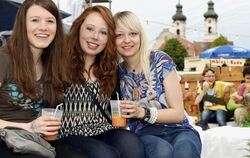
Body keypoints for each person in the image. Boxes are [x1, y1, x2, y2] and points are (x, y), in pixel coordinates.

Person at [0, 0, 86, 157]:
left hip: (36, 139)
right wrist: (29, 126)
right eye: (35, 20)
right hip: (6, 137)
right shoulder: (3, 59)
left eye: (50, 21)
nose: (43, 27)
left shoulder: (51, 63)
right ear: (22, 24)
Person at [57, 5, 145, 158]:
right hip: (67, 134)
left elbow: (115, 109)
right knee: (104, 154)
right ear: (79, 29)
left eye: (103, 32)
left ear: (108, 39)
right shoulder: (59, 63)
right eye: (90, 29)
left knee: (132, 144)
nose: (95, 36)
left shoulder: (111, 69)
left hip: (104, 130)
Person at [114, 11, 201, 158]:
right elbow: (118, 121)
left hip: (179, 130)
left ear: (141, 36)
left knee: (184, 151)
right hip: (144, 134)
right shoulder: (116, 74)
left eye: (133, 33)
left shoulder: (160, 60)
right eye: (119, 35)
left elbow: (178, 114)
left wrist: (142, 112)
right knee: (162, 151)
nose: (127, 40)